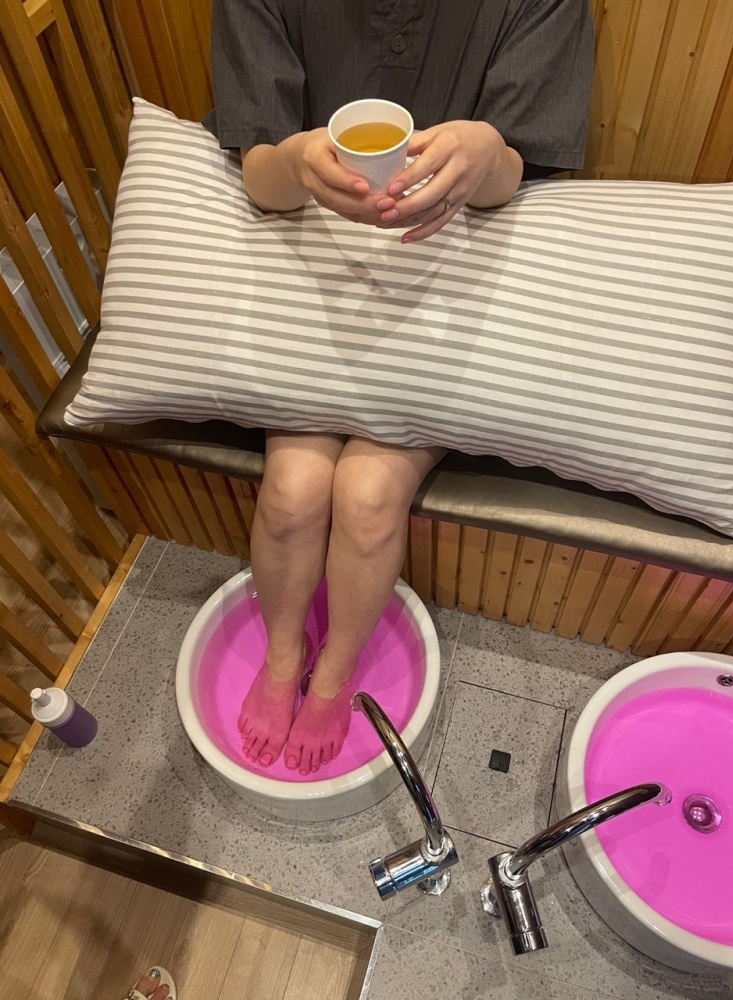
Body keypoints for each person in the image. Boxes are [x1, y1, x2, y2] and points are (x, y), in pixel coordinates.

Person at [203, 0, 594, 777]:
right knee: (291, 489)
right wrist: (297, 162)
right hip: (321, 294)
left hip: (442, 293)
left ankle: (335, 672)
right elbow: (259, 177)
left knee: (369, 496)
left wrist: (487, 152)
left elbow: (522, 178)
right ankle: (283, 657)